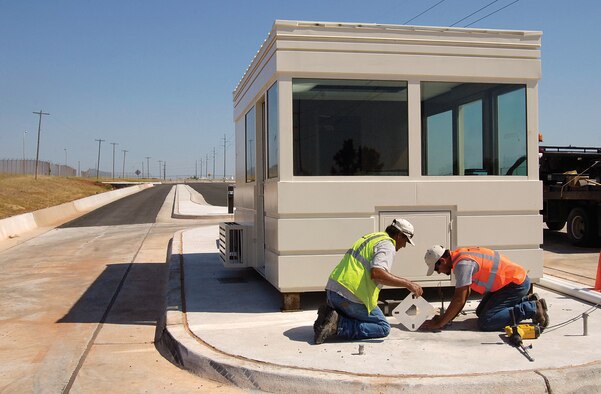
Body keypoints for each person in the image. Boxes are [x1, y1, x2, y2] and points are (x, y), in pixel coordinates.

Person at [313, 219, 424, 344]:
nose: (404, 245)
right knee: (383, 327)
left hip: (332, 293)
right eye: (405, 241)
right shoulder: (388, 245)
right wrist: (408, 284)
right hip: (349, 296)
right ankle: (338, 325)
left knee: (364, 316)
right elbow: (377, 273)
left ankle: (329, 316)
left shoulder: (373, 237)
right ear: (399, 235)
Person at [421, 245, 549, 332]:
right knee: (480, 312)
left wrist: (440, 323)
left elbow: (460, 299)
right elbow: (465, 294)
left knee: (487, 321)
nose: (438, 272)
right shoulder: (459, 256)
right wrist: (446, 318)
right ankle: (527, 300)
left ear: (442, 261)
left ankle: (532, 309)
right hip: (508, 285)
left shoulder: (462, 264)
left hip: (515, 285)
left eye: (436, 269)